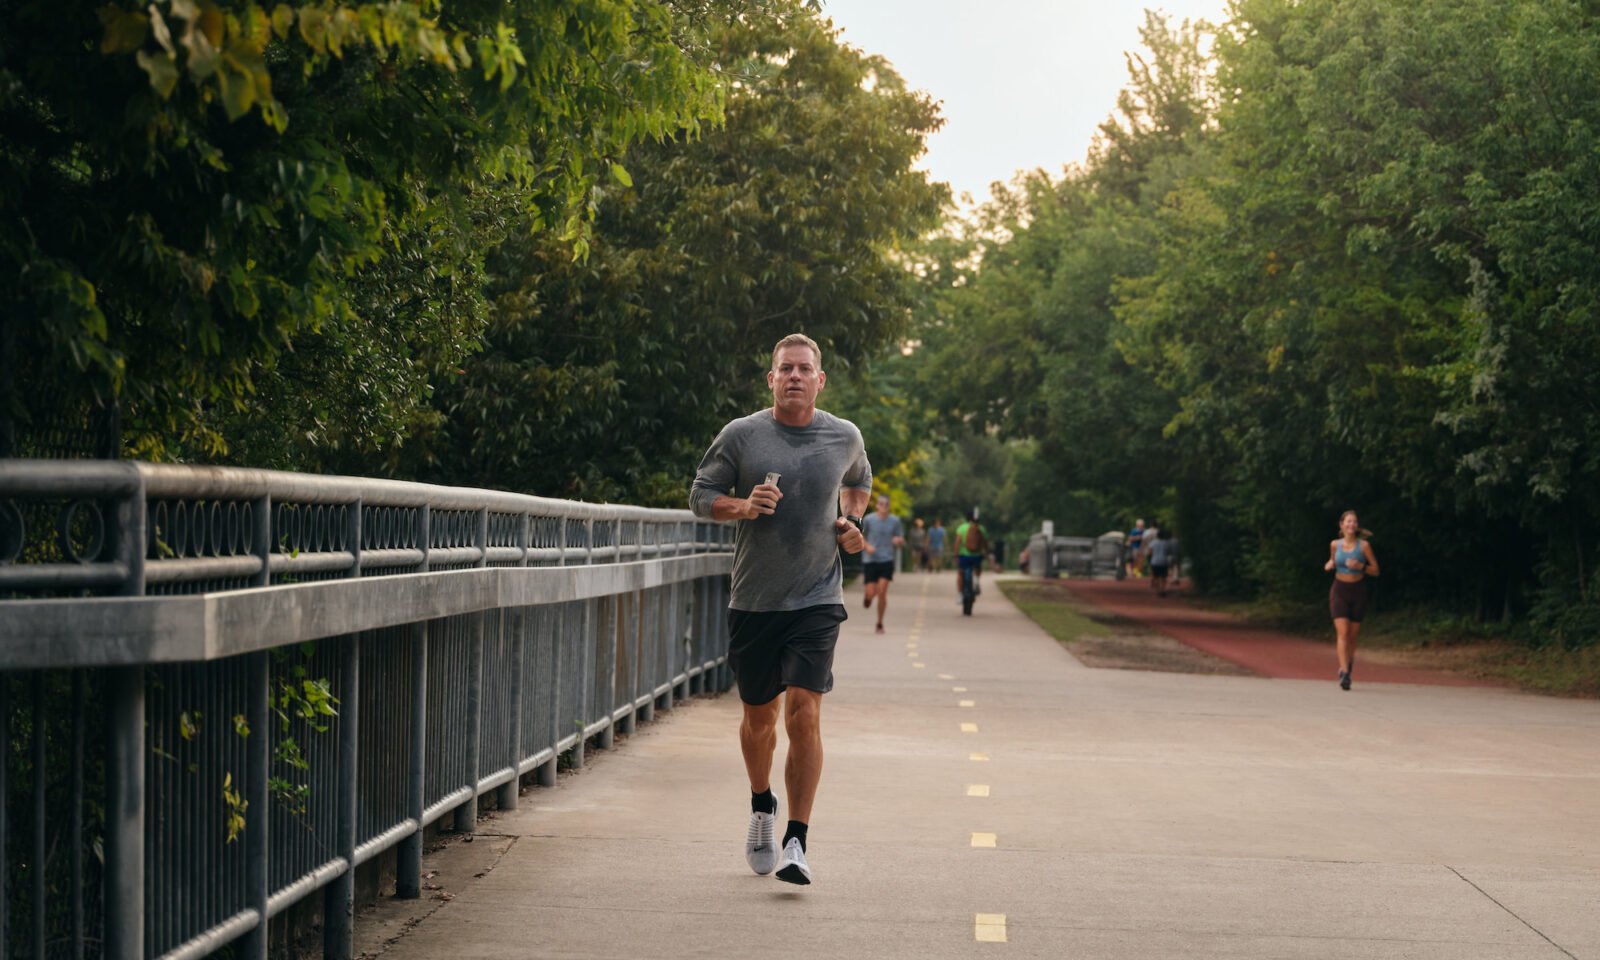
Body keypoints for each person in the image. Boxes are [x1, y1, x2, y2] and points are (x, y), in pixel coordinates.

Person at [689, 333, 871, 886]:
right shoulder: (742, 435)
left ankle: (797, 840)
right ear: (771, 379)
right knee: (759, 720)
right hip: (755, 600)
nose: (794, 376)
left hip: (817, 598)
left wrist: (852, 524)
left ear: (820, 380)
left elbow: (859, 482)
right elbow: (700, 497)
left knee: (805, 714)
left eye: (804, 369)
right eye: (785, 368)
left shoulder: (844, 436)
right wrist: (743, 506)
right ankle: (761, 804)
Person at [1324, 510, 1380, 691]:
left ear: (1356, 526)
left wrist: (1360, 566)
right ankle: (1345, 673)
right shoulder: (1335, 545)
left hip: (1358, 591)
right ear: (1341, 525)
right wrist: (1329, 565)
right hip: (1339, 590)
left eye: (1354, 522)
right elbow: (1331, 562)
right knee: (1343, 632)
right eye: (1348, 522)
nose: (1351, 525)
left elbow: (1376, 570)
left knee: (1352, 636)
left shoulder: (1363, 546)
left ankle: (1348, 664)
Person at [861, 494, 905, 634]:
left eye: (886, 504)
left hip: (887, 559)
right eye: (881, 503)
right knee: (871, 592)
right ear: (877, 505)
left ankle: (879, 623)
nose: (883, 506)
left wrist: (898, 541)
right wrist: (867, 547)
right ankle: (868, 598)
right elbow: (861, 536)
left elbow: (900, 539)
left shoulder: (895, 521)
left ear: (889, 506)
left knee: (882, 592)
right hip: (871, 560)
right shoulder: (869, 519)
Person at [953, 508, 989, 602]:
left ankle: (960, 594)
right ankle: (976, 581)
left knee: (961, 573)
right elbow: (985, 543)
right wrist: (986, 552)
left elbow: (957, 542)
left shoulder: (962, 528)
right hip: (977, 556)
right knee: (977, 568)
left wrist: (956, 554)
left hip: (964, 556)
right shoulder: (981, 528)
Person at [1148, 529, 1175, 597]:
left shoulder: (1153, 542)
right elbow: (1169, 552)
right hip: (1164, 561)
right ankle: (1163, 590)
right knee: (1163, 577)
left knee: (1156, 577)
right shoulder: (1167, 543)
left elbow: (1150, 552)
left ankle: (1158, 590)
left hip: (1155, 561)